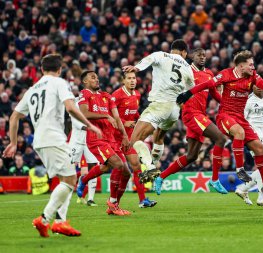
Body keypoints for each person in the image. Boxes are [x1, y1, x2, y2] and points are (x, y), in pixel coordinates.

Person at [3, 54, 102, 237]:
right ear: (59, 69)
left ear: (41, 69)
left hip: (39, 141)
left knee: (66, 180)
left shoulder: (32, 89)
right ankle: (45, 219)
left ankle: (60, 222)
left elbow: (14, 116)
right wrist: (90, 125)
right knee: (71, 180)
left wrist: (13, 143)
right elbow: (71, 108)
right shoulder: (58, 82)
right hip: (53, 137)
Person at [177, 50, 263, 197]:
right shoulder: (226, 74)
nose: (253, 67)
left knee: (260, 149)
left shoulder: (253, 76)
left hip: (240, 117)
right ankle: (239, 169)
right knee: (239, 133)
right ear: (241, 66)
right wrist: (189, 93)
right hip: (225, 116)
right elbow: (209, 83)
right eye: (250, 64)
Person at [154, 48, 228, 195]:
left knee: (192, 156)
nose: (202, 57)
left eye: (204, 55)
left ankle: (160, 177)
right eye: (199, 55)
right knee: (220, 138)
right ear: (192, 56)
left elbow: (214, 94)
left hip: (200, 114)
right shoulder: (186, 70)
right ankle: (215, 179)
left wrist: (228, 103)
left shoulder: (209, 74)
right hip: (191, 114)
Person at [122, 39, 195, 183]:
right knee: (158, 137)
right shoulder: (188, 67)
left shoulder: (162, 55)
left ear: (173, 49)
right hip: (174, 110)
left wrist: (137, 68)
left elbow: (149, 59)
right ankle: (154, 163)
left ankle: (149, 167)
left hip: (160, 105)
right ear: (184, 52)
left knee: (135, 140)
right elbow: (191, 89)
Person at [76, 71, 131, 216]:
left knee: (125, 172)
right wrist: (106, 115)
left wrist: (125, 136)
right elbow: (84, 114)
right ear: (85, 82)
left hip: (111, 138)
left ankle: (85, 179)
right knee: (118, 165)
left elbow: (117, 118)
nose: (97, 79)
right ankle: (113, 203)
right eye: (92, 77)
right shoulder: (85, 94)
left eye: (97, 77)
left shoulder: (106, 96)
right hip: (96, 138)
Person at [111, 70, 157, 208]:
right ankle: (86, 184)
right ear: (123, 81)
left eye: (134, 78)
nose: (132, 80)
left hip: (130, 137)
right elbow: (108, 115)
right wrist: (124, 122)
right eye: (129, 78)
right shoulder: (116, 95)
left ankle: (142, 200)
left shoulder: (137, 94)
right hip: (116, 136)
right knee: (116, 168)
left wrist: (142, 118)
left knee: (136, 165)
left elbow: (134, 112)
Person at [235, 87, 263, 208]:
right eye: (256, 85)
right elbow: (241, 120)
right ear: (252, 87)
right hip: (253, 136)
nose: (259, 87)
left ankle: (243, 189)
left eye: (261, 84)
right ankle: (262, 198)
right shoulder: (248, 100)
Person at [68, 94, 99, 207]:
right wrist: (89, 127)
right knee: (68, 167)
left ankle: (91, 199)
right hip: (76, 141)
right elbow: (76, 122)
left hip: (90, 141)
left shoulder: (95, 103)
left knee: (93, 167)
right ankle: (67, 195)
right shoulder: (73, 103)